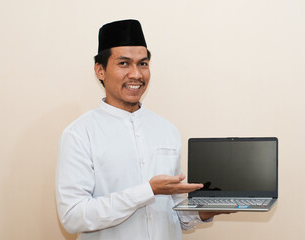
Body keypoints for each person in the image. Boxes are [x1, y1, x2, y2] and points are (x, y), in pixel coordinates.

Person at [55, 19, 222, 240]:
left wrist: (204, 211)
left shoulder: (167, 130)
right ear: (100, 70)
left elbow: (175, 215)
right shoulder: (79, 134)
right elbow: (73, 216)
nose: (136, 74)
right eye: (124, 63)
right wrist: (147, 191)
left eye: (143, 64)